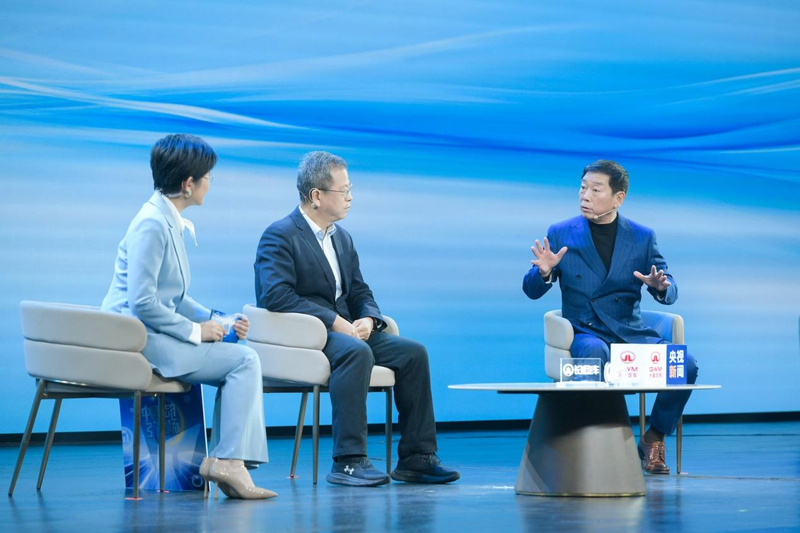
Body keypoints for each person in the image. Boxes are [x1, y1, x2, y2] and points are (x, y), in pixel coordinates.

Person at [254, 151, 459, 487]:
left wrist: (369, 320)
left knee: (413, 354)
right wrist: (333, 322)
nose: (350, 197)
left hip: (346, 332)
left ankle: (417, 458)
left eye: (350, 189)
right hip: (306, 338)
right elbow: (276, 295)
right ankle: (348, 461)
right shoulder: (280, 235)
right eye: (344, 190)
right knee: (356, 352)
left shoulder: (342, 238)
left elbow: (360, 291)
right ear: (317, 195)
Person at [102, 134, 275, 499]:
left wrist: (219, 320)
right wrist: (197, 331)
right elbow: (143, 302)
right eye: (208, 176)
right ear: (188, 184)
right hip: (138, 340)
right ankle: (229, 462)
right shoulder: (152, 224)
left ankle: (230, 461)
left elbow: (174, 297)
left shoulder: (165, 218)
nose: (210, 183)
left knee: (242, 356)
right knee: (244, 360)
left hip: (152, 333)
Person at [522, 159, 699, 474]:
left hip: (630, 332)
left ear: (618, 198)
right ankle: (592, 442)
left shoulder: (642, 236)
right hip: (585, 331)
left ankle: (654, 438)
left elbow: (670, 288)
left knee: (685, 364)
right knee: (594, 352)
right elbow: (531, 290)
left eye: (595, 190)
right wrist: (544, 272)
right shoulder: (561, 232)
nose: (585, 196)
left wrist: (662, 286)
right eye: (583, 188)